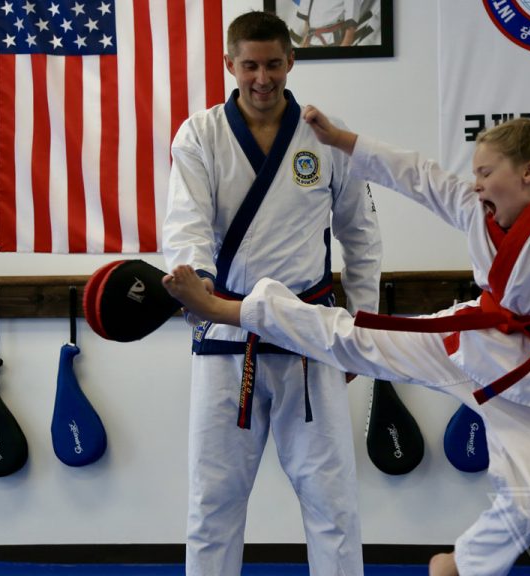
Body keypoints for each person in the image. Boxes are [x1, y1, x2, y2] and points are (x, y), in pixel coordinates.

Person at [163, 50, 530, 576]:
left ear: (529, 172)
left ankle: (458, 564)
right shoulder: (475, 209)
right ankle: (234, 309)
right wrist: (342, 142)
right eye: (474, 174)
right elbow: (414, 173)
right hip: (469, 344)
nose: (475, 184)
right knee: (351, 334)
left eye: (485, 172)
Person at [161, 10, 382, 576]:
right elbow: (186, 224)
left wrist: (364, 325)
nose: (263, 78)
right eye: (250, 66)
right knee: (213, 503)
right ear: (229, 65)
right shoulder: (200, 134)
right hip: (227, 330)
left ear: (291, 61)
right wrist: (197, 285)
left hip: (310, 336)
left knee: (332, 501)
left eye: (274, 64)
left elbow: (360, 233)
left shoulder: (325, 136)